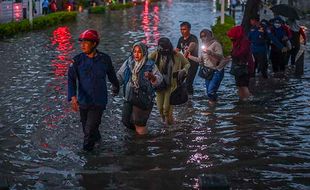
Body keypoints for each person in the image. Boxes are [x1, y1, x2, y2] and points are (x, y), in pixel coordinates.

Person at [67, 29, 120, 151]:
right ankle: (99, 143)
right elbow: (71, 79)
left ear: (94, 44)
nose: (82, 45)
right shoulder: (77, 60)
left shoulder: (105, 59)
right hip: (83, 101)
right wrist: (73, 97)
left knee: (88, 132)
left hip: (98, 101)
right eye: (81, 42)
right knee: (88, 129)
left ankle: (87, 160)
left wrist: (116, 87)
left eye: (86, 42)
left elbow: (112, 76)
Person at [117, 42, 162, 135]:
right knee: (125, 120)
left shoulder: (150, 65)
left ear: (144, 53)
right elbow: (120, 75)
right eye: (135, 51)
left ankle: (142, 143)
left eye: (139, 52)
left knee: (140, 123)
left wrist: (152, 77)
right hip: (129, 95)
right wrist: (115, 85)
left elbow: (159, 79)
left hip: (144, 97)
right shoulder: (129, 62)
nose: (136, 54)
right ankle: (135, 136)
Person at [148, 37, 190, 125]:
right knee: (160, 108)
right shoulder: (156, 54)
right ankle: (166, 122)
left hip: (171, 85)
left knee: (166, 108)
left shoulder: (177, 55)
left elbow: (187, 63)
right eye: (162, 48)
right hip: (159, 85)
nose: (164, 51)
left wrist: (183, 70)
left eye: (166, 48)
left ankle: (169, 125)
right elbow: (146, 61)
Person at [188, 29, 228, 105]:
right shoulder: (203, 46)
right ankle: (212, 108)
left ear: (209, 35)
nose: (203, 38)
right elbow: (200, 60)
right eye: (201, 36)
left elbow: (221, 57)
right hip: (208, 71)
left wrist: (211, 53)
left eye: (205, 36)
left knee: (211, 91)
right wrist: (190, 57)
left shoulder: (216, 44)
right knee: (209, 93)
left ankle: (214, 107)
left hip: (217, 71)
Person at [227, 25, 253, 101]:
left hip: (244, 66)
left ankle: (247, 99)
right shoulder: (236, 41)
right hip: (238, 66)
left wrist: (231, 53)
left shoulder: (244, 41)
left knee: (244, 85)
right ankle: (241, 99)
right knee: (239, 85)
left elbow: (241, 52)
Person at [176, 21, 199, 95]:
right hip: (184, 64)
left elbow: (191, 47)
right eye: (181, 29)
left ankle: (190, 99)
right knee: (178, 81)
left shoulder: (193, 38)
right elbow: (177, 50)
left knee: (188, 82)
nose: (182, 31)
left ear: (189, 29)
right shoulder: (181, 39)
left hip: (193, 64)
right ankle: (182, 97)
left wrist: (187, 52)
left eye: (184, 29)